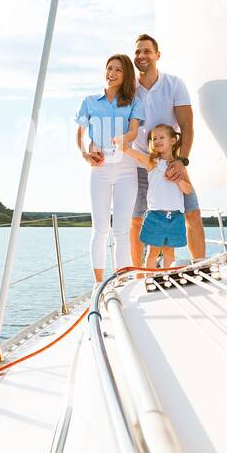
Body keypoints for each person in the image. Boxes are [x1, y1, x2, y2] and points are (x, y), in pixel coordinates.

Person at [128, 33, 206, 266]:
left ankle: (199, 264)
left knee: (191, 212)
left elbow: (187, 127)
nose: (142, 56)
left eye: (147, 51)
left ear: (157, 55)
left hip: (173, 162)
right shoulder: (129, 89)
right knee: (136, 220)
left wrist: (181, 161)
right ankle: (137, 271)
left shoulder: (174, 84)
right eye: (138, 52)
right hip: (142, 164)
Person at [75, 54, 144, 282]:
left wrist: (123, 138)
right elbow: (80, 133)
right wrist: (85, 154)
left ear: (126, 75)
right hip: (100, 168)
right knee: (100, 229)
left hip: (126, 167)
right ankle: (98, 284)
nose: (111, 74)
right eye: (109, 68)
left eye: (118, 70)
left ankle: (121, 281)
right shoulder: (90, 101)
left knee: (121, 230)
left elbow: (134, 131)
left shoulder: (134, 101)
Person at [118, 124, 192, 269]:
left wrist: (178, 180)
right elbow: (130, 151)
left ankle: (167, 279)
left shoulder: (179, 166)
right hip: (155, 216)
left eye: (161, 137)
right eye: (154, 138)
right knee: (153, 252)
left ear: (172, 140)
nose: (157, 140)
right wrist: (121, 143)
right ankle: (149, 280)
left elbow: (188, 190)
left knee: (169, 252)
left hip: (175, 216)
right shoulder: (152, 162)